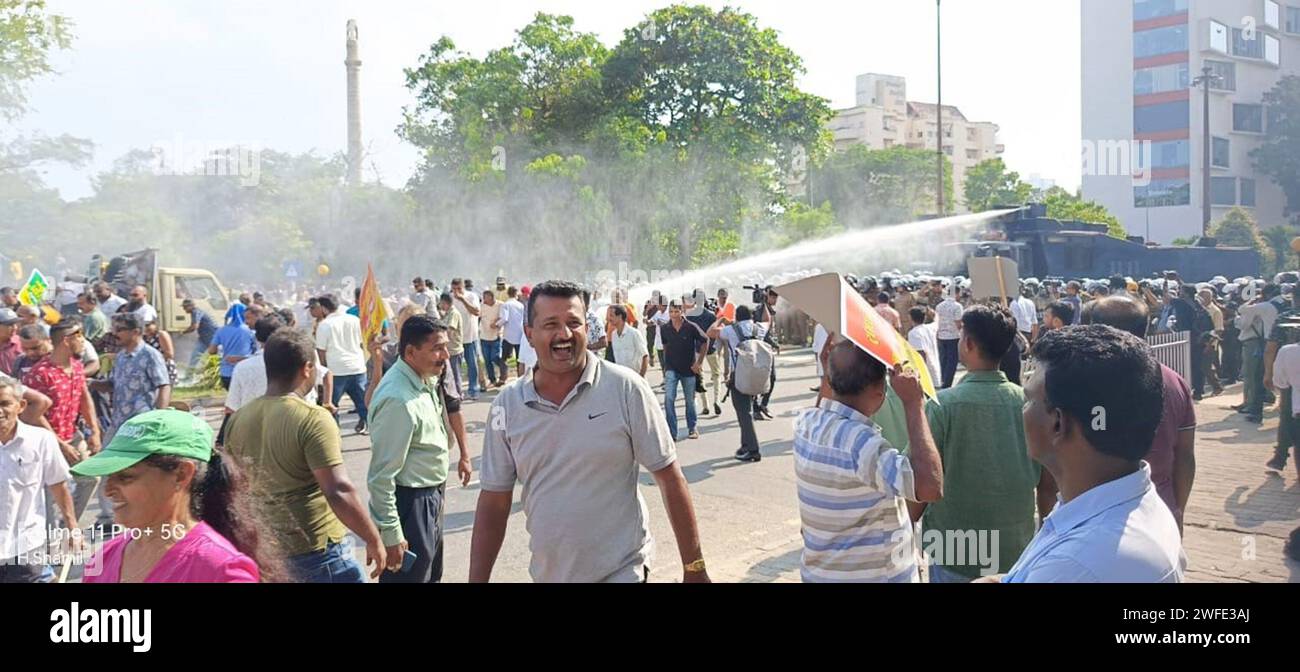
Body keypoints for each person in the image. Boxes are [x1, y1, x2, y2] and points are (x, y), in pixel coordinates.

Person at [470, 281, 709, 583]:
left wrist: (695, 567)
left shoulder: (625, 388)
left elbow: (670, 478)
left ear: (587, 328)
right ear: (529, 334)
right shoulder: (507, 405)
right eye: (550, 324)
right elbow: (494, 501)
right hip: (550, 574)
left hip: (623, 570)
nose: (564, 334)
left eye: (573, 323)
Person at [1000, 326, 1186, 582]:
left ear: (1057, 423)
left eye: (1029, 400)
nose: (1024, 410)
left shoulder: (1078, 564)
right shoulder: (1119, 503)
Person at [225, 330, 385, 583]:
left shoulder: (238, 419)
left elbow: (236, 487)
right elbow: (338, 490)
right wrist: (373, 538)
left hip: (269, 549)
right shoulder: (313, 418)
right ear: (307, 368)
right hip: (318, 551)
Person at [919, 304, 1055, 582]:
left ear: (968, 343)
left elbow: (921, 478)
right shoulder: (1030, 403)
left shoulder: (943, 405)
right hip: (1016, 548)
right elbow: (1048, 485)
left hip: (955, 550)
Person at [74, 410, 286, 582]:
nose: (108, 490)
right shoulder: (104, 558)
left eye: (126, 477)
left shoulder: (219, 570)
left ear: (182, 474)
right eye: (109, 477)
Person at [794, 340, 943, 582]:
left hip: (820, 574)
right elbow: (930, 486)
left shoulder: (806, 423)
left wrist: (827, 372)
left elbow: (823, 406)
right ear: (879, 392)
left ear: (830, 382)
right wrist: (914, 403)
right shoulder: (863, 445)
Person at [368, 315, 473, 583]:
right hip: (411, 505)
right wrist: (391, 534)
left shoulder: (423, 379)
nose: (445, 356)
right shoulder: (398, 399)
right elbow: (381, 477)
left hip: (429, 500)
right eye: (437, 348)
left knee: (429, 576)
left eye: (446, 347)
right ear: (411, 352)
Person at [20, 320, 106, 524]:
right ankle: (49, 541)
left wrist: (94, 430)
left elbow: (84, 397)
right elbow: (33, 414)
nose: (84, 342)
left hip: (72, 435)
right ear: (67, 340)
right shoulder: (40, 374)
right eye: (80, 336)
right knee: (50, 494)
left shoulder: (76, 366)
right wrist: (60, 444)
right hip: (45, 442)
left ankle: (67, 525)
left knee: (90, 478)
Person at [0, 375, 79, 583]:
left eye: (5, 404)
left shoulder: (40, 440)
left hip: (26, 546)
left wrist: (72, 527)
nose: (0, 411)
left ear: (21, 405)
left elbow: (59, 485)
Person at [708, 304, 778, 462]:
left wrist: (720, 319)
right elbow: (768, 320)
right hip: (758, 375)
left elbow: (711, 332)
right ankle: (745, 445)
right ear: (752, 316)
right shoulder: (758, 328)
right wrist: (764, 303)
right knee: (746, 413)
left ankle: (753, 450)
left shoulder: (732, 330)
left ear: (737, 317)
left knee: (744, 414)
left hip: (739, 377)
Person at [91, 313, 172, 441]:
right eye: (113, 329)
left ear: (135, 332)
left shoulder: (150, 355)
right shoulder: (121, 356)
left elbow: (163, 385)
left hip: (141, 423)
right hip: (119, 422)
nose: (114, 334)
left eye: (119, 330)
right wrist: (90, 383)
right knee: (106, 455)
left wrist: (159, 416)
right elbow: (112, 385)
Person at [314, 294, 369, 435]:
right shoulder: (354, 320)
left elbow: (321, 351)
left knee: (332, 405)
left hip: (336, 371)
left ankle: (334, 434)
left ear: (324, 309)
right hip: (357, 367)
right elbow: (362, 343)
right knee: (363, 403)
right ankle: (371, 429)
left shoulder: (324, 325)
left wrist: (324, 371)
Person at [658, 299, 709, 441]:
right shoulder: (665, 328)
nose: (674, 315)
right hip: (671, 369)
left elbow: (705, 341)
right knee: (668, 399)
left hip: (688, 369)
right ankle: (671, 432)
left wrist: (699, 363)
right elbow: (665, 347)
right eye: (671, 312)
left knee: (689, 401)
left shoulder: (691, 327)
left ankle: (692, 428)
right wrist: (666, 367)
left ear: (682, 311)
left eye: (676, 311)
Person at [1234, 283, 1280, 423]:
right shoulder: (1285, 302)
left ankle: (1255, 412)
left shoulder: (1267, 306)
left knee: (1257, 376)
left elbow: (1242, 309)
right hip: (1289, 342)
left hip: (1270, 342)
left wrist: (1251, 300)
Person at [684, 289, 722, 417]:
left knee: (700, 376)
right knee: (716, 375)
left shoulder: (689, 316)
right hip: (711, 348)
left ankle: (705, 405)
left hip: (697, 350)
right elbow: (716, 331)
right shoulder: (711, 315)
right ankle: (717, 401)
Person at [209, 304, 262, 389]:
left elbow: (211, 351)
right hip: (246, 372)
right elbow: (258, 352)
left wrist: (223, 352)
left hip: (226, 373)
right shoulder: (250, 331)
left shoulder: (221, 330)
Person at [450, 278, 482, 401]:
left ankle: (473, 389)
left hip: (470, 336)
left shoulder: (471, 296)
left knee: (472, 364)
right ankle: (457, 391)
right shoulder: (450, 297)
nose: (456, 292)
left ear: (463, 287)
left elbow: (476, 312)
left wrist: (462, 299)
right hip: (456, 339)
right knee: (455, 366)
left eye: (459, 289)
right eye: (454, 289)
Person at [608, 304, 649, 376]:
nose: (609, 319)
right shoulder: (614, 335)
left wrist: (641, 377)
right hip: (621, 379)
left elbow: (645, 356)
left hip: (636, 378)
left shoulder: (634, 333)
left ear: (620, 316)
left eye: (611, 315)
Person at [934, 288, 963, 389]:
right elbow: (958, 322)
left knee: (943, 359)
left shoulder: (939, 306)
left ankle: (942, 379)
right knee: (952, 360)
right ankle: (947, 383)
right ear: (956, 293)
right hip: (953, 336)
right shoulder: (957, 306)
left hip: (941, 335)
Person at [906, 306, 940, 386]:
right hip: (934, 369)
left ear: (910, 318)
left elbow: (921, 353)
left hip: (924, 372)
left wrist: (920, 373)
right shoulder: (930, 328)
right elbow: (937, 320)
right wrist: (933, 313)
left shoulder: (913, 333)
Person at [499, 286, 527, 381]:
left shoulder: (506, 305)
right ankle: (520, 378)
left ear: (508, 293)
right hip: (520, 334)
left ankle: (503, 377)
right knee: (520, 359)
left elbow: (504, 319)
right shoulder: (521, 305)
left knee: (504, 358)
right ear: (516, 294)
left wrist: (496, 325)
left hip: (508, 335)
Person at [479, 289, 505, 387]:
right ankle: (492, 379)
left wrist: (497, 324)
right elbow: (478, 317)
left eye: (485, 298)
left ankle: (503, 370)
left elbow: (504, 318)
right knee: (487, 360)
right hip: (484, 336)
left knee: (494, 357)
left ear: (491, 297)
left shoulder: (500, 305)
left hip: (496, 336)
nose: (484, 300)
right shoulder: (482, 306)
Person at [143, 321, 178, 387]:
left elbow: (169, 354)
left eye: (148, 325)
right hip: (149, 369)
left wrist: (154, 361)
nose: (146, 327)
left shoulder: (161, 334)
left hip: (164, 367)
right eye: (145, 325)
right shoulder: (143, 337)